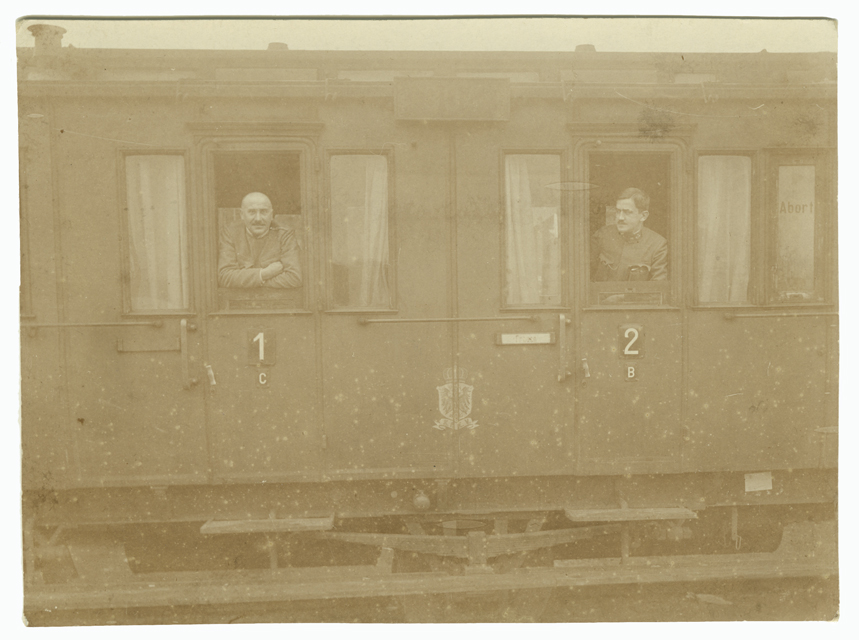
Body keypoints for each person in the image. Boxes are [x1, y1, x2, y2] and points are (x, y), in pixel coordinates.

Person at [218, 192, 302, 288]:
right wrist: (264, 274)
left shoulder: (284, 235)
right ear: (242, 214)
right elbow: (224, 276)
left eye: (264, 212)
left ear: (271, 215)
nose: (258, 218)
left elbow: (295, 278)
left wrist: (252, 282)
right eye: (252, 212)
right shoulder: (231, 233)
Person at [590, 187, 668, 281]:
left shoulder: (658, 245)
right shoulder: (602, 235)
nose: (620, 218)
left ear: (643, 216)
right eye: (618, 211)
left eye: (627, 212)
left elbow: (658, 286)